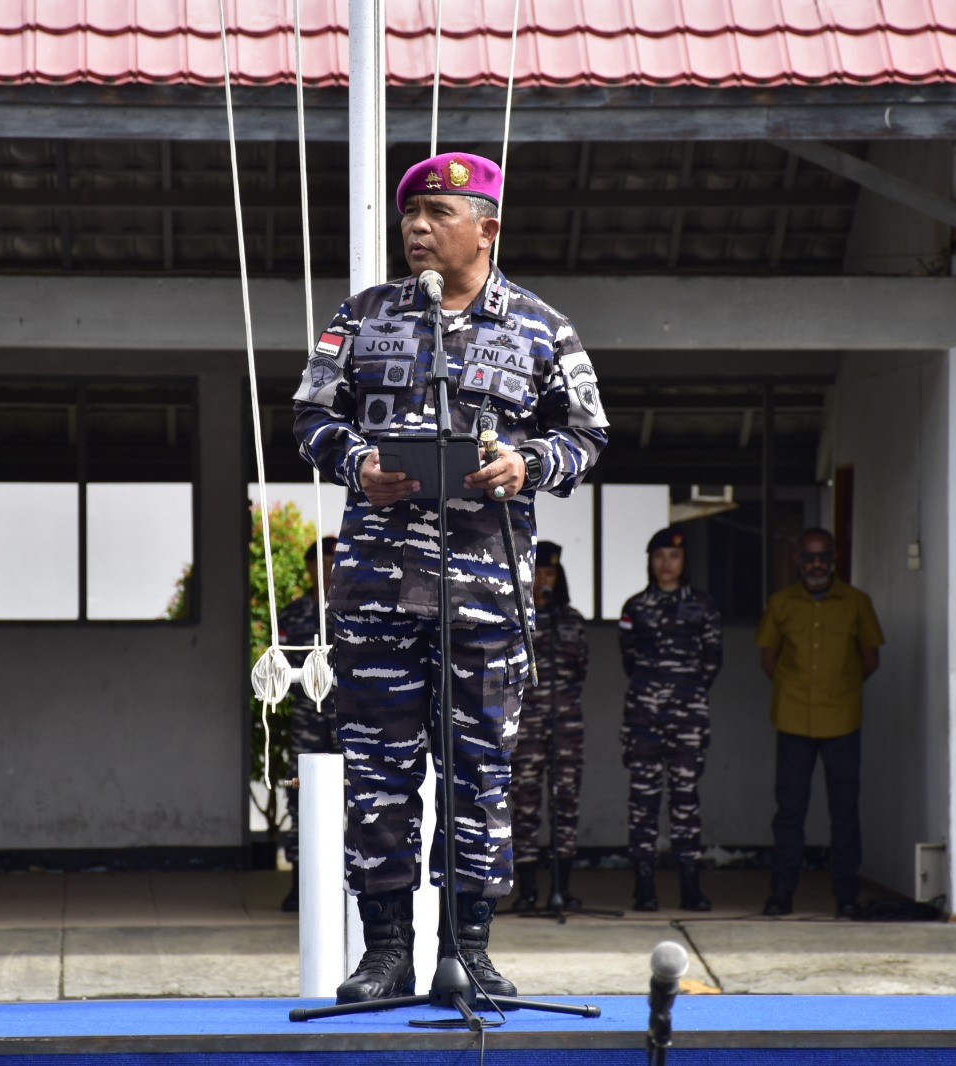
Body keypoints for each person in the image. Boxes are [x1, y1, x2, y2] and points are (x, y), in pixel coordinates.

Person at [291, 151, 608, 1004]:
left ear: (487, 228)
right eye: (409, 216)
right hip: (379, 593)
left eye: (436, 214)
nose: (417, 230)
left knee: (479, 774)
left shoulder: (542, 329)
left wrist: (527, 463)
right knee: (378, 771)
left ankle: (467, 953)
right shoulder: (362, 317)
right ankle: (387, 954)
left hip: (486, 594)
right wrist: (356, 464)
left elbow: (587, 436)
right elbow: (311, 414)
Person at [755, 528, 885, 919]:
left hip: (842, 720)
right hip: (793, 719)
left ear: (833, 559)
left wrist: (837, 690)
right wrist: (799, 690)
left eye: (822, 557)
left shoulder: (857, 602)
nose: (816, 564)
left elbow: (869, 659)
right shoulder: (781, 603)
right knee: (789, 813)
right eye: (809, 557)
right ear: (798, 559)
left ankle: (846, 896)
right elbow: (769, 660)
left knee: (844, 813)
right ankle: (781, 895)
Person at [617, 526, 723, 912]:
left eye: (674, 557)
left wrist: (683, 693)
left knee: (685, 802)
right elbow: (629, 660)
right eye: (660, 556)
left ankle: (690, 887)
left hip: (688, 720)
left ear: (684, 562)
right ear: (651, 561)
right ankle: (644, 887)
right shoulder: (635, 607)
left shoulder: (703, 606)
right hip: (643, 718)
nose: (666, 564)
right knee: (642, 803)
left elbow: (713, 661)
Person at [508, 541, 590, 913]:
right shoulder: (512, 618)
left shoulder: (570, 621)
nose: (544, 579)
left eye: (551, 573)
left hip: (565, 724)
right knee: (524, 805)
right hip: (524, 725)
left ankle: (562, 887)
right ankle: (527, 891)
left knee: (565, 802)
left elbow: (581, 672)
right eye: (539, 571)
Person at [277, 535, 341, 912]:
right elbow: (280, 669)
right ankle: (299, 882)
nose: (326, 570)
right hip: (306, 719)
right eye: (319, 562)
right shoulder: (292, 615)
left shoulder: (355, 610)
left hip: (348, 719)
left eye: (332, 561)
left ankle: (351, 885)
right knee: (300, 795)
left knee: (357, 798)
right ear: (308, 568)